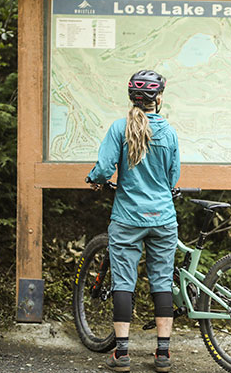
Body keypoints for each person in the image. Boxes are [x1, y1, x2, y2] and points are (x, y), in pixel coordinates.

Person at [86, 69, 180, 373]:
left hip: (128, 217)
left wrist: (95, 179)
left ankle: (122, 354)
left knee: (124, 282)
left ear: (132, 98)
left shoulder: (119, 128)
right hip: (163, 218)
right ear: (159, 99)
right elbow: (172, 177)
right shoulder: (168, 132)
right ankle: (162, 354)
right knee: (162, 281)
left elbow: (103, 169)